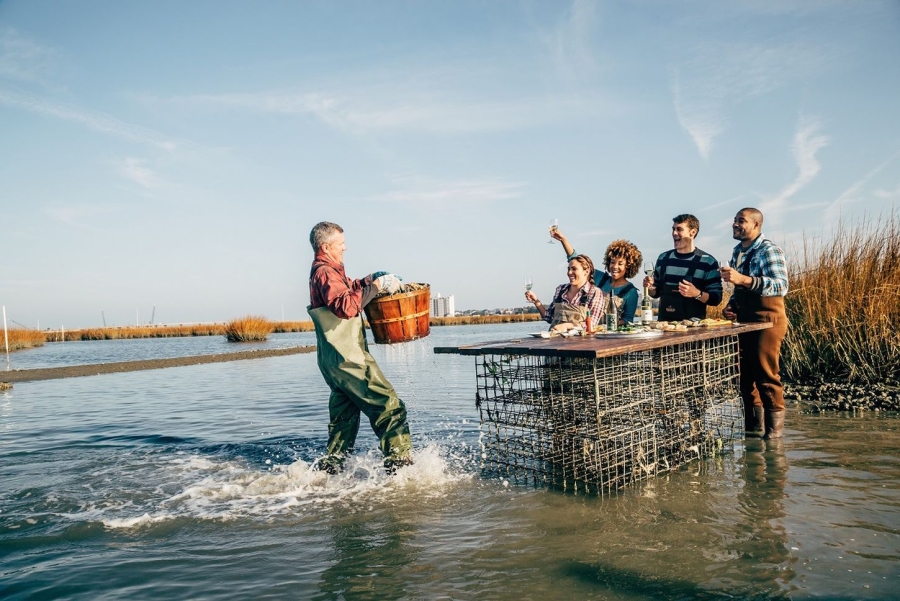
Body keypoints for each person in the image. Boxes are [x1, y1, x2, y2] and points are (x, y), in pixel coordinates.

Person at [307, 221, 413, 473]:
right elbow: (345, 307)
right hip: (349, 359)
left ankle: (329, 473)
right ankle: (402, 470)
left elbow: (347, 291)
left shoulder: (327, 271)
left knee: (344, 419)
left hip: (333, 361)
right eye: (340, 245)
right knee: (388, 405)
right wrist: (377, 287)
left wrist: (369, 279)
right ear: (325, 246)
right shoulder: (324, 272)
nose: (345, 248)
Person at [720, 208, 789, 439]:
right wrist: (731, 305)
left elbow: (781, 286)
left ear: (757, 225)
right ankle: (753, 432)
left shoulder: (769, 250)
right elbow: (740, 289)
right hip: (745, 321)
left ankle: (773, 438)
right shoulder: (737, 251)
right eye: (734, 220)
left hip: (768, 320)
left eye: (741, 221)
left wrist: (743, 279)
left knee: (766, 375)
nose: (735, 224)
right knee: (744, 377)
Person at [551, 230, 642, 325]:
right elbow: (577, 261)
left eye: (620, 264)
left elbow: (628, 320)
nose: (615, 267)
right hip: (588, 332)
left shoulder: (631, 292)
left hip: (610, 335)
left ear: (629, 266)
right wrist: (563, 240)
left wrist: (609, 324)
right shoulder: (600, 278)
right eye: (612, 262)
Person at [642, 214, 723, 321]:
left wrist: (697, 294)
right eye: (673, 229)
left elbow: (716, 299)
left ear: (693, 232)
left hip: (693, 330)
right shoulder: (663, 258)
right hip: (664, 327)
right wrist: (650, 288)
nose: (674, 233)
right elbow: (656, 293)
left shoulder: (708, 262)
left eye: (679, 229)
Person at [524, 254, 604, 333]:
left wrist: (566, 326)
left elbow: (592, 324)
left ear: (586, 272)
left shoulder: (594, 292)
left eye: (574, 269)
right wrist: (536, 301)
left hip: (580, 344)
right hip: (556, 342)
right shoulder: (561, 289)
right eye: (568, 269)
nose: (569, 272)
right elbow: (549, 317)